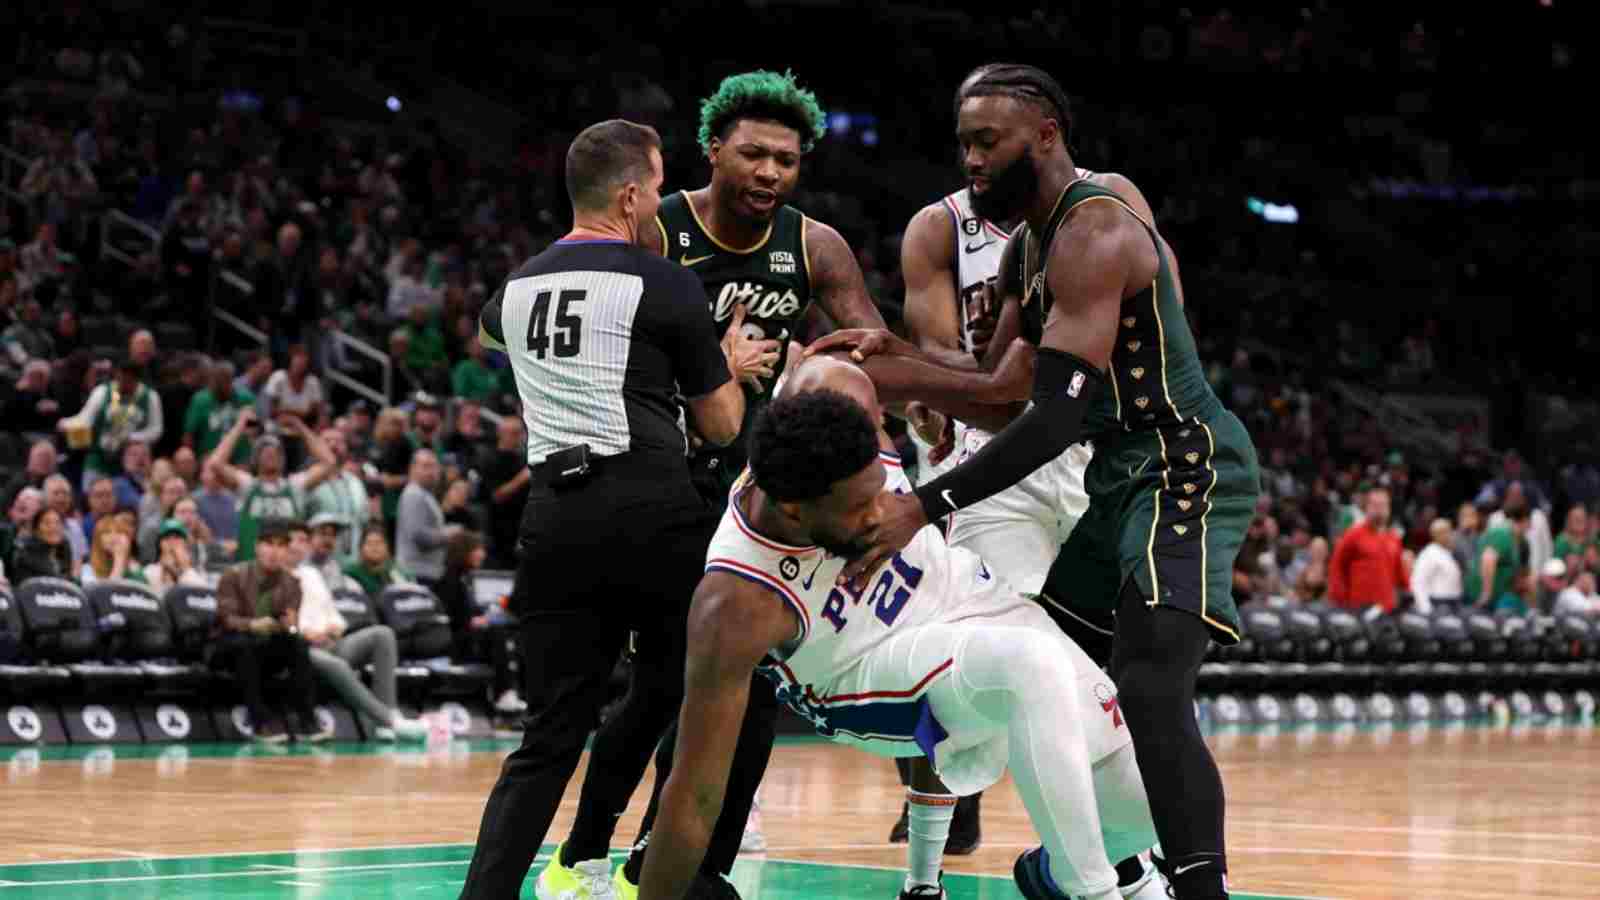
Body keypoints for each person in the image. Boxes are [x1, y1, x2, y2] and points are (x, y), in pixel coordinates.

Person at [804, 64, 1262, 900]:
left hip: (1181, 461)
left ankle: (1195, 887)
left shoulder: (1094, 229)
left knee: (1153, 684)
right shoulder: (1029, 242)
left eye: (989, 142)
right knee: (1046, 665)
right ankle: (1085, 865)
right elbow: (999, 386)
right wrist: (891, 365)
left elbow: (1049, 418)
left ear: (1045, 134)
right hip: (1116, 476)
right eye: (964, 145)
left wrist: (924, 505)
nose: (972, 161)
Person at [638, 370, 1164, 900]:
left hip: (967, 598)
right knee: (1030, 662)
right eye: (859, 509)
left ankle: (1049, 877)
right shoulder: (736, 602)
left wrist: (927, 400)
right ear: (796, 509)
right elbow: (693, 796)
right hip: (861, 673)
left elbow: (870, 346)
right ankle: (1093, 891)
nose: (882, 514)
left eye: (880, 490)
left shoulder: (839, 391)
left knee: (1153, 804)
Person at [583, 69, 908, 899]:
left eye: (787, 160)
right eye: (754, 154)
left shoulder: (813, 244)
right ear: (713, 150)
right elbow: (599, 339)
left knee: (753, 686)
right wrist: (705, 365)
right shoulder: (658, 230)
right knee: (662, 683)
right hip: (655, 471)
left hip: (752, 490)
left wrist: (833, 363)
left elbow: (873, 339)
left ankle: (689, 866)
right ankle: (585, 850)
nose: (770, 173)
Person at [457, 118, 749, 900]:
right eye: (656, 188)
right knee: (675, 690)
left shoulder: (516, 286)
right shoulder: (665, 281)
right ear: (628, 196)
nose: (661, 204)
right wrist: (733, 366)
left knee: (548, 735)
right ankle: (636, 865)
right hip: (653, 509)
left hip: (553, 519)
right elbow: (721, 423)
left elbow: (490, 335)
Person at [285, 519, 426, 742]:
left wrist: (335, 628)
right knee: (337, 664)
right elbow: (283, 621)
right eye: (297, 540)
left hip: (332, 641)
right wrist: (307, 634)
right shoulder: (275, 577)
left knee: (383, 634)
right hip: (303, 647)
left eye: (304, 541)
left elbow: (332, 611)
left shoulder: (311, 573)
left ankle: (384, 725)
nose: (301, 546)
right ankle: (390, 720)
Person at [211, 517, 329, 744]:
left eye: (280, 545)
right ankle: (260, 722)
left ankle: (307, 720)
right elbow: (226, 619)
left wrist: (291, 626)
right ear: (257, 547)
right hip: (228, 645)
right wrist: (252, 624)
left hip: (266, 645)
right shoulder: (234, 575)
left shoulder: (292, 583)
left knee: (298, 644)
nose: (274, 552)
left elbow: (292, 624)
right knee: (245, 643)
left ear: (286, 550)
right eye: (268, 544)